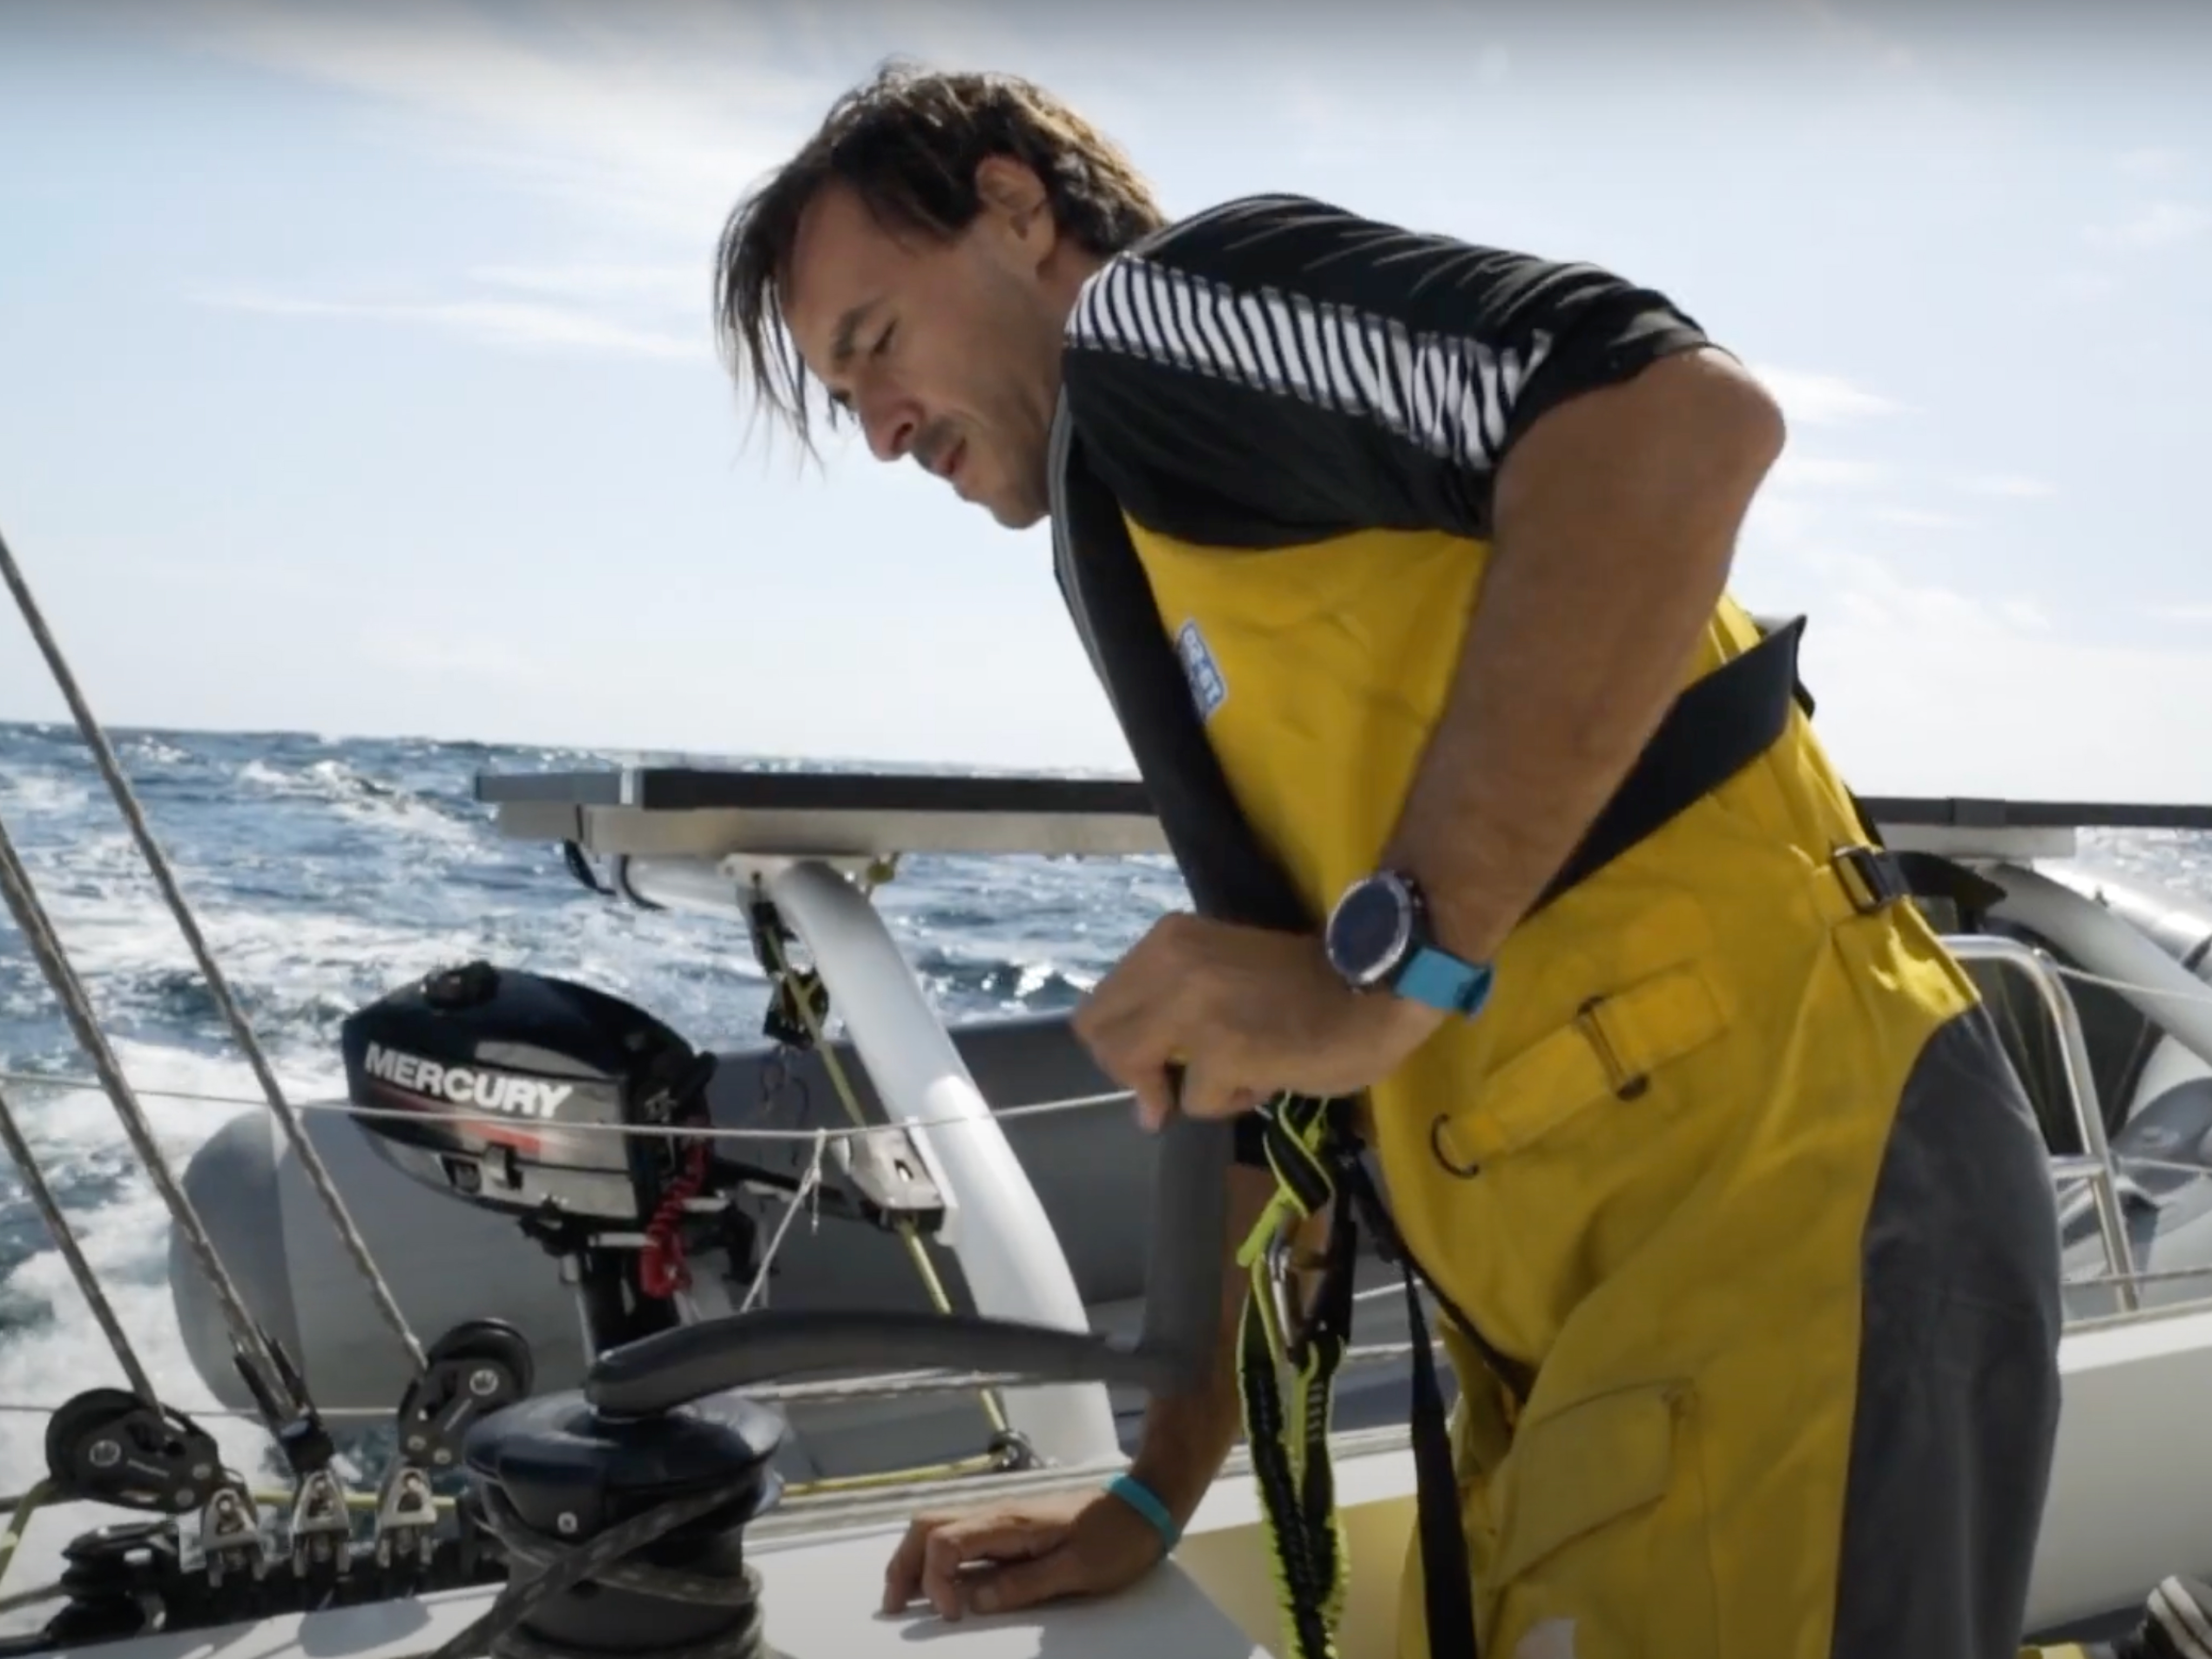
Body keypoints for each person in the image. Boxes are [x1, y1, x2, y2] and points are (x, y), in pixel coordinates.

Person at [709, 59, 2208, 1659]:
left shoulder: (1162, 318)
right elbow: (1267, 1072)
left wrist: (1391, 964)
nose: (880, 432)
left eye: (876, 343)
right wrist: (1154, 1489)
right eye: (843, 397)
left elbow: (1677, 421)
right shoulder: (1142, 528)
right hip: (1579, 1328)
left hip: (1788, 1214)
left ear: (1015, 210)